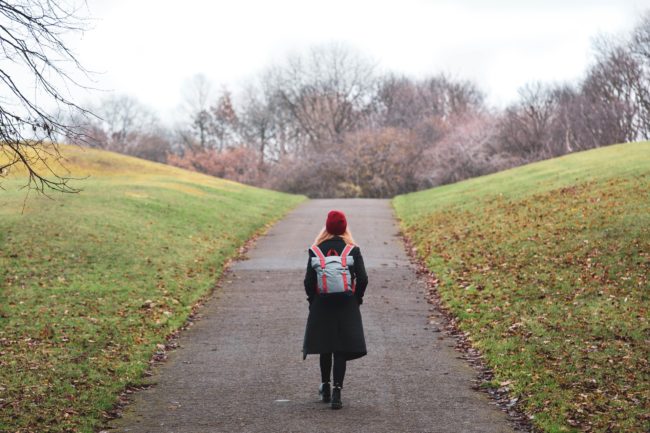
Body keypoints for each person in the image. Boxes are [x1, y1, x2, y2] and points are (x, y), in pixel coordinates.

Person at [303, 210, 368, 410]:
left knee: (326, 346)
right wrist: (356, 299)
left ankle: (326, 386)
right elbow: (363, 279)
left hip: (322, 303)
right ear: (345, 227)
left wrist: (313, 301)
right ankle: (338, 392)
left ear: (327, 227)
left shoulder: (316, 250)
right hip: (346, 303)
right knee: (340, 348)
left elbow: (308, 281)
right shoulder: (352, 249)